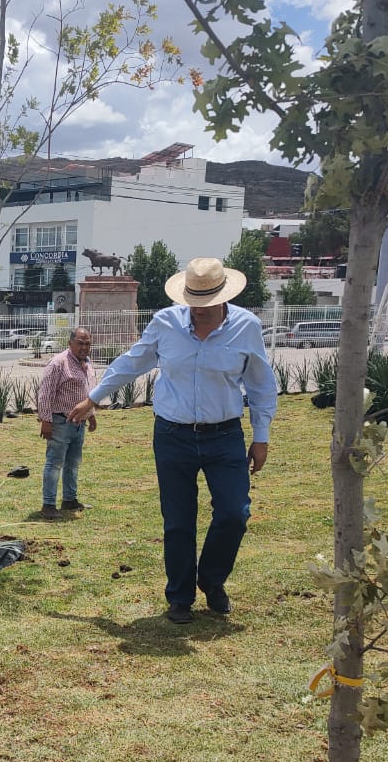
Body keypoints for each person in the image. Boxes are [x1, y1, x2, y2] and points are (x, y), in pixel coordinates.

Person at [67, 258, 277, 623]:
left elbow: (260, 384)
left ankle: (211, 580)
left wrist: (261, 437)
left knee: (234, 513)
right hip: (172, 435)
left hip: (224, 434)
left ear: (222, 297)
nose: (199, 311)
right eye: (193, 302)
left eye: (206, 302)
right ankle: (180, 596)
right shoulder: (166, 323)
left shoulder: (246, 326)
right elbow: (133, 362)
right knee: (178, 520)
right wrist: (94, 397)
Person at [37, 327, 97, 519]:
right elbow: (45, 394)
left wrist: (91, 415)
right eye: (80, 343)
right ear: (70, 343)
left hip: (79, 424)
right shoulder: (58, 363)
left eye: (87, 343)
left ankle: (69, 499)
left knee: (73, 463)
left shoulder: (87, 364)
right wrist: (46, 421)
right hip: (60, 422)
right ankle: (48, 505)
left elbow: (88, 392)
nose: (84, 347)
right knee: (54, 464)